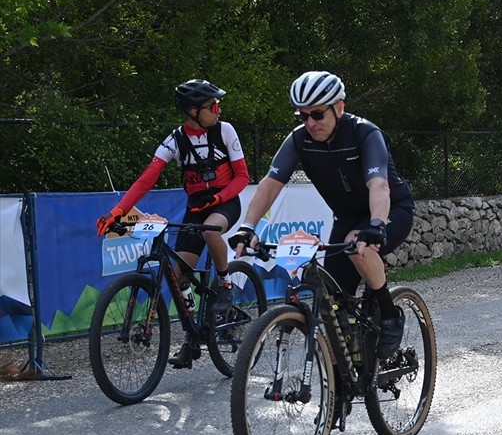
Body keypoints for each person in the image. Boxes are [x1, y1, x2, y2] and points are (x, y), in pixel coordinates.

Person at [228, 71, 416, 360]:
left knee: (358, 245)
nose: (310, 123)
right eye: (303, 116)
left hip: (391, 211)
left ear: (339, 107)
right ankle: (346, 375)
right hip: (346, 218)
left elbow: (378, 185)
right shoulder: (300, 140)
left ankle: (390, 315)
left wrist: (377, 224)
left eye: (317, 114)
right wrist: (247, 226)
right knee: (333, 300)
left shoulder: (366, 133)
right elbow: (269, 185)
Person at [95, 78, 250, 368]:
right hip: (196, 207)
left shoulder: (225, 131)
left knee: (211, 232)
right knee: (178, 275)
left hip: (225, 202)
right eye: (212, 105)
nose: (218, 109)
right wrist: (116, 212)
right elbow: (146, 179)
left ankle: (226, 284)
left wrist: (216, 200)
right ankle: (193, 338)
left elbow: (242, 176)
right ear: (193, 111)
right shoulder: (175, 140)